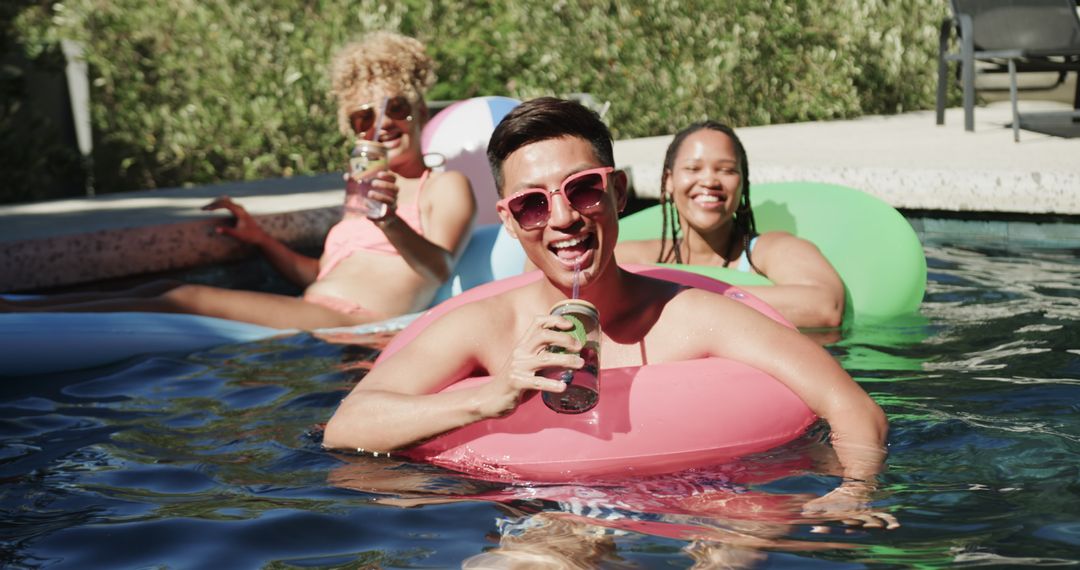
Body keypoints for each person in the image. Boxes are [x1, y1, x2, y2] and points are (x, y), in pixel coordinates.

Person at [323, 97, 897, 529]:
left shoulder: (697, 317)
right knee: (540, 554)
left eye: (583, 190)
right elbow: (347, 427)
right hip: (538, 511)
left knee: (736, 537)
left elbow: (851, 405)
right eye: (531, 203)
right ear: (508, 220)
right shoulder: (484, 326)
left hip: (706, 506)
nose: (563, 218)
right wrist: (493, 395)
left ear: (619, 192)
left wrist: (853, 492)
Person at [3, 32, 475, 330]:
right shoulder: (363, 194)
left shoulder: (444, 185)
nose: (382, 124)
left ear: (419, 110)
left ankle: (16, 318)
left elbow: (438, 268)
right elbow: (323, 274)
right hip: (315, 309)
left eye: (396, 108)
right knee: (152, 289)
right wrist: (263, 241)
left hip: (353, 323)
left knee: (180, 296)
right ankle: (16, 307)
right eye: (363, 117)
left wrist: (389, 221)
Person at [615, 121, 844, 329]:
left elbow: (825, 307)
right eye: (693, 168)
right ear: (668, 181)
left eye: (726, 170)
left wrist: (689, 295)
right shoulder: (641, 256)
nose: (709, 181)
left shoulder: (767, 251)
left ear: (742, 184)